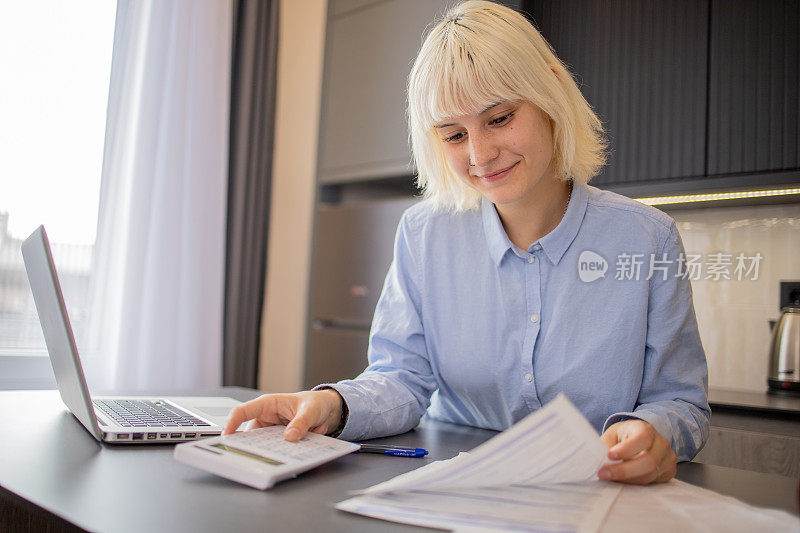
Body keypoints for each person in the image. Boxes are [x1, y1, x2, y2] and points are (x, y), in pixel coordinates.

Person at [224, 0, 710, 486]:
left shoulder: (646, 238)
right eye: (454, 135)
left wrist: (654, 430)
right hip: (457, 489)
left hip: (595, 491)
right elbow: (400, 380)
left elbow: (681, 401)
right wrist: (332, 404)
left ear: (551, 97)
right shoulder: (423, 234)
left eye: (499, 119)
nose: (480, 154)